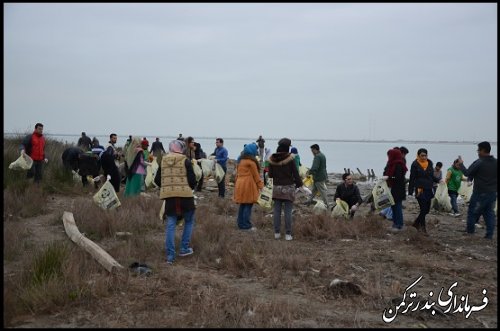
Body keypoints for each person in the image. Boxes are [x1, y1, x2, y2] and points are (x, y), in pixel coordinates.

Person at [154, 140, 197, 264]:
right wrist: (189, 187)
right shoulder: (185, 160)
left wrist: (168, 187)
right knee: (189, 221)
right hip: (186, 196)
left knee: (170, 224)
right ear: (181, 149)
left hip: (170, 198)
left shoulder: (163, 160)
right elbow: (193, 180)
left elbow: (157, 180)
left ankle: (170, 256)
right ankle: (184, 248)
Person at [458, 141, 497, 239]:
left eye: (478, 150)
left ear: (483, 150)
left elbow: (467, 173)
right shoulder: (496, 162)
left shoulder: (479, 162)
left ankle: (470, 232)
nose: (478, 152)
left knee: (472, 212)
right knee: (489, 213)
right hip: (492, 193)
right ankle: (489, 235)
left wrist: (461, 164)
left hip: (480, 193)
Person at [268, 139, 303, 240]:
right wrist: (299, 184)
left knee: (277, 211)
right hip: (288, 188)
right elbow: (295, 173)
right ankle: (288, 234)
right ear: (287, 147)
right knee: (288, 212)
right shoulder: (290, 159)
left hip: (276, 188)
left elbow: (270, 175)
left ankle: (277, 233)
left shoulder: (272, 159)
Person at [408, 148, 442, 234]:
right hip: (420, 190)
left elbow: (431, 176)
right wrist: (410, 191)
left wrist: (438, 180)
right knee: (423, 209)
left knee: (427, 210)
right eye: (422, 155)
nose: (424, 157)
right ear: (418, 156)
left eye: (425, 155)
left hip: (429, 189)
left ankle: (416, 223)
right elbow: (412, 178)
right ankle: (423, 229)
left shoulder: (429, 163)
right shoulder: (415, 164)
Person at [233, 143, 264, 230]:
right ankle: (246, 225)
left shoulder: (241, 161)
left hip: (240, 184)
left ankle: (240, 223)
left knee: (243, 204)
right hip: (248, 185)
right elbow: (256, 176)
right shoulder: (251, 163)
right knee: (248, 205)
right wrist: (262, 187)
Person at [382, 148, 408, 231]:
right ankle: (395, 224)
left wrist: (389, 177)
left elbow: (398, 177)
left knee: (397, 207)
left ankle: (399, 225)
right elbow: (386, 172)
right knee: (393, 207)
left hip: (398, 190)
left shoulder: (399, 164)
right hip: (392, 189)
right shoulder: (391, 164)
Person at [305, 144, 329, 208]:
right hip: (321, 176)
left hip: (319, 177)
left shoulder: (317, 157)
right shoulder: (322, 155)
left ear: (315, 149)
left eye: (312, 150)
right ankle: (309, 201)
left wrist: (309, 172)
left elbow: (315, 167)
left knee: (322, 192)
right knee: (314, 190)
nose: (312, 152)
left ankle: (327, 205)